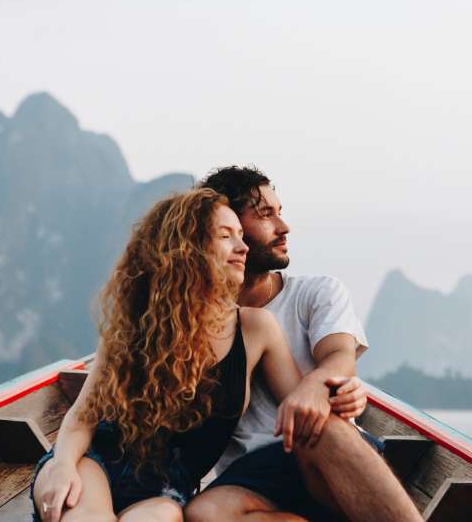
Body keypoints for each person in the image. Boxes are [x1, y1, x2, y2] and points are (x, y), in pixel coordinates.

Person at [30, 188, 304, 522]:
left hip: (165, 495)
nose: (243, 246)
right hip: (89, 466)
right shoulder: (133, 326)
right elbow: (82, 418)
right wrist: (61, 466)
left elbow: (302, 403)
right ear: (188, 249)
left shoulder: (255, 328)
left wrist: (331, 384)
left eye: (241, 235)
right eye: (225, 236)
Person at [186, 167, 422, 522]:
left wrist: (314, 387)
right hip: (252, 474)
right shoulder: (195, 319)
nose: (283, 227)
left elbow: (339, 355)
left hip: (325, 452)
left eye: (279, 212)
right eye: (265, 215)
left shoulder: (316, 293)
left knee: (317, 424)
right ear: (227, 228)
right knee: (204, 513)